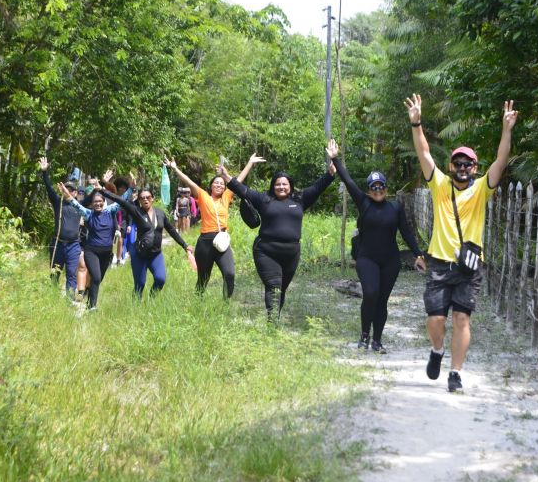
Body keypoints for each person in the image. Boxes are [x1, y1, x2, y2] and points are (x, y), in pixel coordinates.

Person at [405, 93, 518, 392]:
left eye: (468, 163)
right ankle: (437, 349)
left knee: (462, 318)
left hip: (469, 266)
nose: (463, 167)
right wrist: (417, 124)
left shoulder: (482, 189)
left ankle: (455, 372)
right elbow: (425, 154)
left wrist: (507, 131)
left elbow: (501, 161)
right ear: (451, 166)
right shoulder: (440, 185)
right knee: (435, 319)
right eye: (458, 163)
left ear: (475, 167)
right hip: (440, 263)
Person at [327, 140, 427, 353]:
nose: (378, 189)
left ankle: (377, 340)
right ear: (369, 189)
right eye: (374, 187)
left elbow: (406, 231)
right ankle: (364, 333)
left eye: (381, 186)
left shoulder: (395, 208)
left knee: (382, 301)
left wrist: (418, 254)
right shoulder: (363, 202)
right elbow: (348, 180)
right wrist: (335, 158)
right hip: (367, 258)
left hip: (390, 261)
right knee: (370, 293)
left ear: (385, 188)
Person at [220, 152, 337, 322]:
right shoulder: (264, 199)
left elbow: (319, 186)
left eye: (285, 184)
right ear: (272, 186)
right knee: (274, 285)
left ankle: (274, 318)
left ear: (290, 186)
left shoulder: (300, 199)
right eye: (278, 184)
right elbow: (241, 189)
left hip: (291, 253)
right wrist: (226, 176)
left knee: (281, 288)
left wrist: (331, 170)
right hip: (266, 250)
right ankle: (272, 322)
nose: (281, 187)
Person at [166, 154, 263, 297]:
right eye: (216, 183)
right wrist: (175, 169)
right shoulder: (203, 196)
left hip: (222, 240)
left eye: (222, 184)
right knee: (203, 280)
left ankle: (225, 304)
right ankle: (198, 303)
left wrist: (250, 162)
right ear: (211, 186)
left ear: (225, 187)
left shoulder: (227, 196)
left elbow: (238, 180)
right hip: (205, 243)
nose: (219, 185)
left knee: (229, 274)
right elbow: (189, 181)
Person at [100, 186, 194, 298]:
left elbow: (172, 230)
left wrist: (185, 245)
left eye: (148, 197)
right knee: (140, 284)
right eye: (142, 198)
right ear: (139, 200)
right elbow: (120, 200)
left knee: (160, 279)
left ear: (152, 198)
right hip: (139, 254)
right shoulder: (136, 212)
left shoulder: (160, 213)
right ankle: (136, 307)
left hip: (156, 254)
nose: (145, 200)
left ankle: (152, 299)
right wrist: (102, 190)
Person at [58, 179, 130, 310]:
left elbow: (122, 200)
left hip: (106, 253)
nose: (97, 204)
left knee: (98, 280)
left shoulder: (110, 211)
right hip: (91, 252)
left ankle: (89, 298)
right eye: (95, 202)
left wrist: (132, 187)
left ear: (104, 202)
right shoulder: (88, 214)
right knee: (95, 277)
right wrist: (67, 194)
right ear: (92, 203)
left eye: (100, 201)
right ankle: (92, 307)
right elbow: (76, 205)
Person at [39, 157, 83, 297]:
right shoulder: (58, 202)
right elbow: (49, 188)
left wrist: (101, 185)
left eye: (70, 189)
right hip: (57, 243)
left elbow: (95, 197)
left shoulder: (79, 206)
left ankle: (70, 298)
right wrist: (45, 172)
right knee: (54, 272)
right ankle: (52, 296)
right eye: (65, 189)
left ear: (75, 193)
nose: (67, 191)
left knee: (71, 272)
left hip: (73, 245)